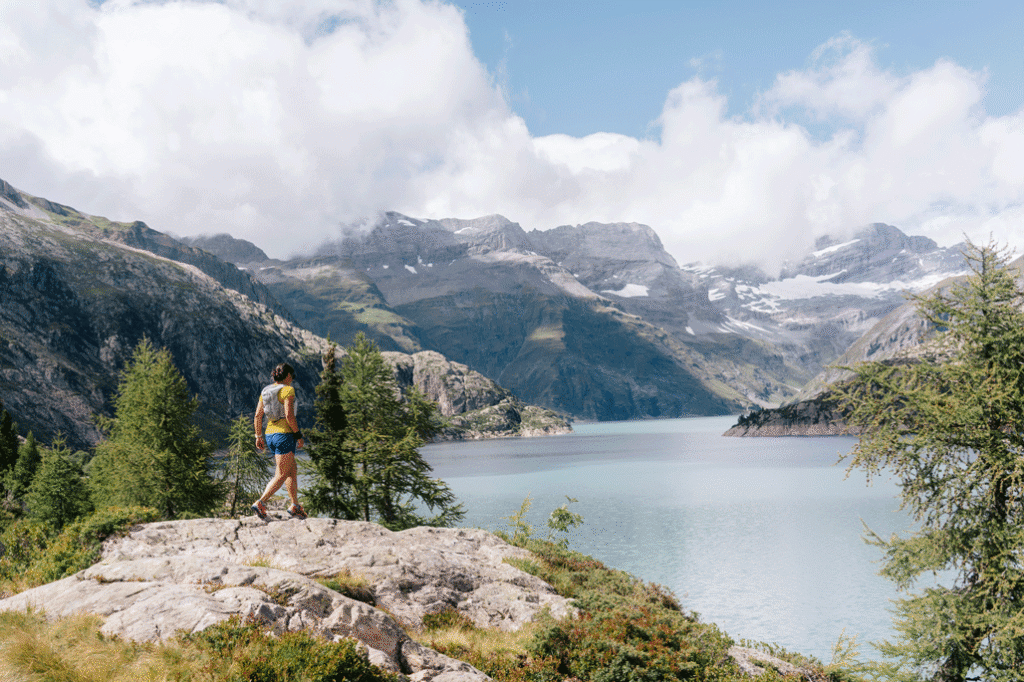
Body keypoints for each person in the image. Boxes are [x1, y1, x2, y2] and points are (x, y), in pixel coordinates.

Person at [252, 362, 307, 520]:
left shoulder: (266, 390)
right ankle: (261, 502)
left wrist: (258, 436)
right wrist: (298, 435)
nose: (292, 379)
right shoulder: (288, 390)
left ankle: (295, 505)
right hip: (284, 435)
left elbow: (257, 415)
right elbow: (289, 415)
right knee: (281, 474)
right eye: (292, 376)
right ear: (288, 375)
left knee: (291, 469)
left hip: (270, 434)